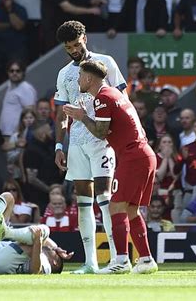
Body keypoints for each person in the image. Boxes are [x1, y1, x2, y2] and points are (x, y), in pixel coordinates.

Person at [63, 59, 158, 274]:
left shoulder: (103, 98)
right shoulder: (114, 93)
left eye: (80, 75)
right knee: (132, 210)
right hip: (144, 154)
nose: (78, 79)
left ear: (88, 78)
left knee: (116, 206)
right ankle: (146, 260)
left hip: (133, 156)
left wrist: (81, 116)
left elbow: (101, 132)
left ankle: (121, 261)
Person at [54, 21, 124, 274]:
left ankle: (118, 258)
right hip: (77, 141)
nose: (73, 50)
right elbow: (61, 114)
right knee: (83, 200)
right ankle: (90, 262)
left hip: (103, 139)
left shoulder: (106, 62)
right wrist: (59, 146)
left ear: (85, 37)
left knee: (105, 198)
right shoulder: (64, 74)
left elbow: (122, 99)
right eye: (68, 47)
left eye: (76, 44)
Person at [0, 192, 74, 274]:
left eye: (54, 253)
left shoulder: (47, 263)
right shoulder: (40, 248)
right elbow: (43, 239)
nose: (49, 248)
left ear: (55, 262)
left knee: (44, 230)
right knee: (8, 197)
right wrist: (55, 248)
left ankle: (7, 232)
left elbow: (36, 272)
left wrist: (38, 242)